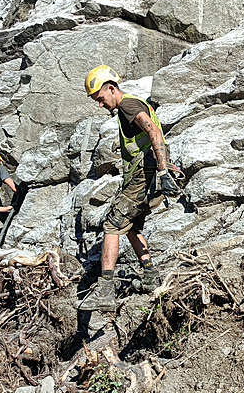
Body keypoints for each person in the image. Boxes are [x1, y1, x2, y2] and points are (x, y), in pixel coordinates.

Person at [75, 65, 180, 312]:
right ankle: (151, 275)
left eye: (100, 99)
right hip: (148, 173)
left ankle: (105, 289)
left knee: (112, 225)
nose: (100, 105)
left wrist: (163, 171)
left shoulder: (127, 106)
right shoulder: (131, 105)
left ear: (111, 89)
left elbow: (152, 131)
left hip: (146, 174)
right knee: (130, 225)